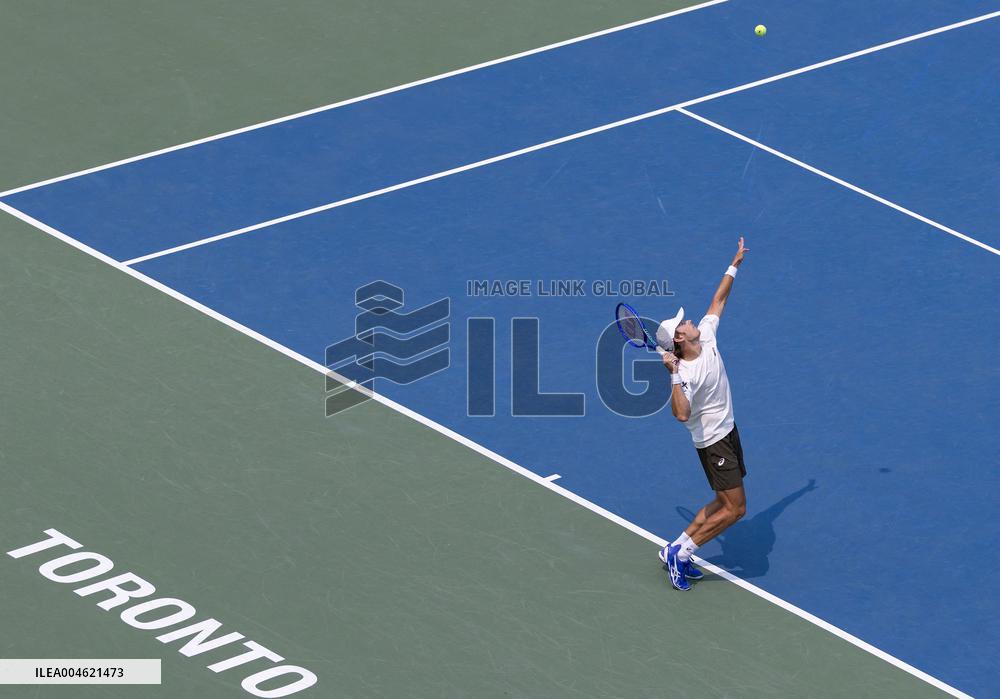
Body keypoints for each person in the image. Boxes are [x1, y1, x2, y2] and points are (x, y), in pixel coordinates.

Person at [656, 237, 749, 591]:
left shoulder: (706, 335)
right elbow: (681, 414)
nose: (691, 320)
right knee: (735, 509)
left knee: (723, 501)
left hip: (728, 431)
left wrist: (733, 265)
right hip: (714, 443)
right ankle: (683, 555)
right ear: (680, 340)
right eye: (683, 324)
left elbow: (718, 300)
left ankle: (675, 548)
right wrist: (673, 376)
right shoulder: (686, 374)